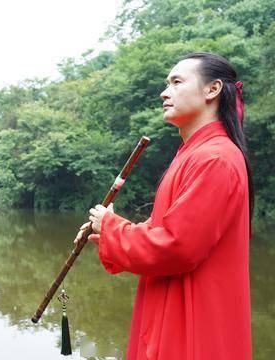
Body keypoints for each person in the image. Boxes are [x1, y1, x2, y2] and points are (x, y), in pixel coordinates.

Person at [74, 52, 253, 359]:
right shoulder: (195, 154)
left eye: (176, 82)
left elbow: (177, 245)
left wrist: (114, 228)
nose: (164, 91)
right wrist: (109, 232)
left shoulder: (216, 159)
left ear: (212, 90)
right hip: (173, 310)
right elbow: (167, 228)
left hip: (193, 323)